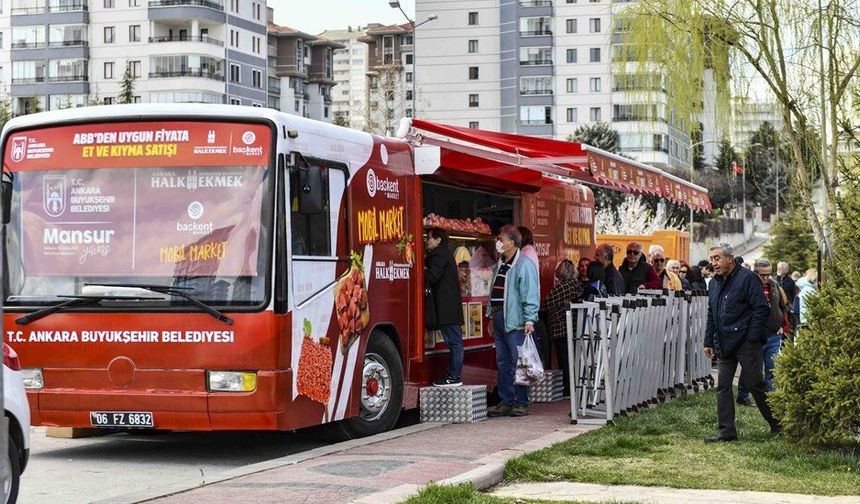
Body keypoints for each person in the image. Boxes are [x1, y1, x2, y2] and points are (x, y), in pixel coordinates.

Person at [704, 243, 781, 442]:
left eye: (717, 258)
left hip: (747, 342)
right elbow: (712, 313)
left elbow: (761, 309)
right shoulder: (714, 283)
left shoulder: (747, 279)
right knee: (723, 387)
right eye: (712, 259)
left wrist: (752, 337)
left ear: (730, 258)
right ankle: (726, 432)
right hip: (724, 342)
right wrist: (708, 341)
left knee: (756, 384)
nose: (714, 263)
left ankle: (777, 425)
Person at [486, 225, 540, 418]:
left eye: (500, 239)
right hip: (500, 317)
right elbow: (494, 291)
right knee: (503, 361)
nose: (498, 242)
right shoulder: (500, 263)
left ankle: (521, 402)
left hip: (516, 321)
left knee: (519, 363)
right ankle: (506, 400)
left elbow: (531, 294)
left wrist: (529, 319)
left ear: (511, 242)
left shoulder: (524, 264)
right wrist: (491, 315)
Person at [736, 260, 788, 406]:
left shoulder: (774, 285)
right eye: (762, 275)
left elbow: (782, 306)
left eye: (769, 274)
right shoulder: (748, 286)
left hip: (773, 334)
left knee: (771, 366)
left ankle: (771, 398)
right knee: (752, 368)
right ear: (755, 273)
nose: (766, 278)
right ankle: (743, 395)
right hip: (755, 335)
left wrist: (781, 325)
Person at [424, 228, 465, 387]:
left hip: (447, 308)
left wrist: (420, 269)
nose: (427, 241)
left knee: (454, 343)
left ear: (438, 240)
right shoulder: (444, 254)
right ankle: (453, 375)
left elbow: (432, 277)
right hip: (449, 308)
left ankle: (454, 377)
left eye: (429, 238)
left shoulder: (439, 255)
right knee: (455, 342)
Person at [541, 260, 583, 397]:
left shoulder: (563, 287)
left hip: (561, 328)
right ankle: (574, 386)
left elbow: (548, 302)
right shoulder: (577, 285)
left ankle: (568, 388)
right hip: (574, 327)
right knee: (572, 358)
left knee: (564, 359)